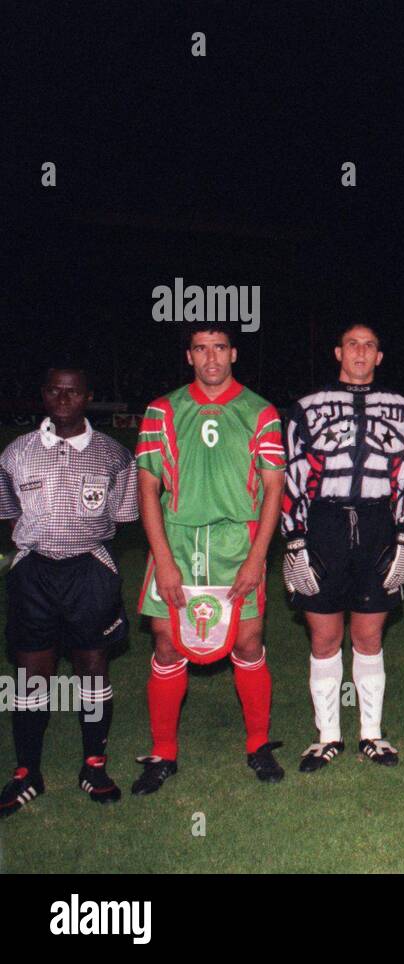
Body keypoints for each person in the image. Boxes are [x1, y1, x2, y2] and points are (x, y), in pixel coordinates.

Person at [132, 324, 286, 794]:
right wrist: (163, 559)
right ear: (190, 356)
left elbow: (275, 488)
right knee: (165, 643)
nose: (211, 358)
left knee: (248, 641)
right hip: (176, 541)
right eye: (201, 349)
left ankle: (258, 744)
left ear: (233, 353)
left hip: (237, 542)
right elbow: (147, 487)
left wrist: (258, 557)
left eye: (220, 348)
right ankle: (164, 753)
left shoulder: (261, 411)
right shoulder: (161, 410)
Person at [281, 323, 404, 771]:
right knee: (325, 637)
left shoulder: (401, 407)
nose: (361, 352)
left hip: (380, 525)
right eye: (353, 345)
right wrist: (295, 540)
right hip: (325, 525)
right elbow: (292, 474)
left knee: (368, 634)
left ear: (379, 356)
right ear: (338, 352)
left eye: (370, 346)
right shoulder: (307, 406)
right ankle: (327, 736)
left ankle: (372, 735)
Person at [0, 366, 138, 815]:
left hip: (89, 572)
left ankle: (93, 766)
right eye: (54, 390)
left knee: (92, 670)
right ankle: (27, 773)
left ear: (87, 396)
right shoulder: (15, 453)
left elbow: (121, 517)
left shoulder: (114, 455)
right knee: (29, 675)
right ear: (44, 395)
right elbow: (7, 515)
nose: (63, 398)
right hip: (33, 574)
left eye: (72, 391)